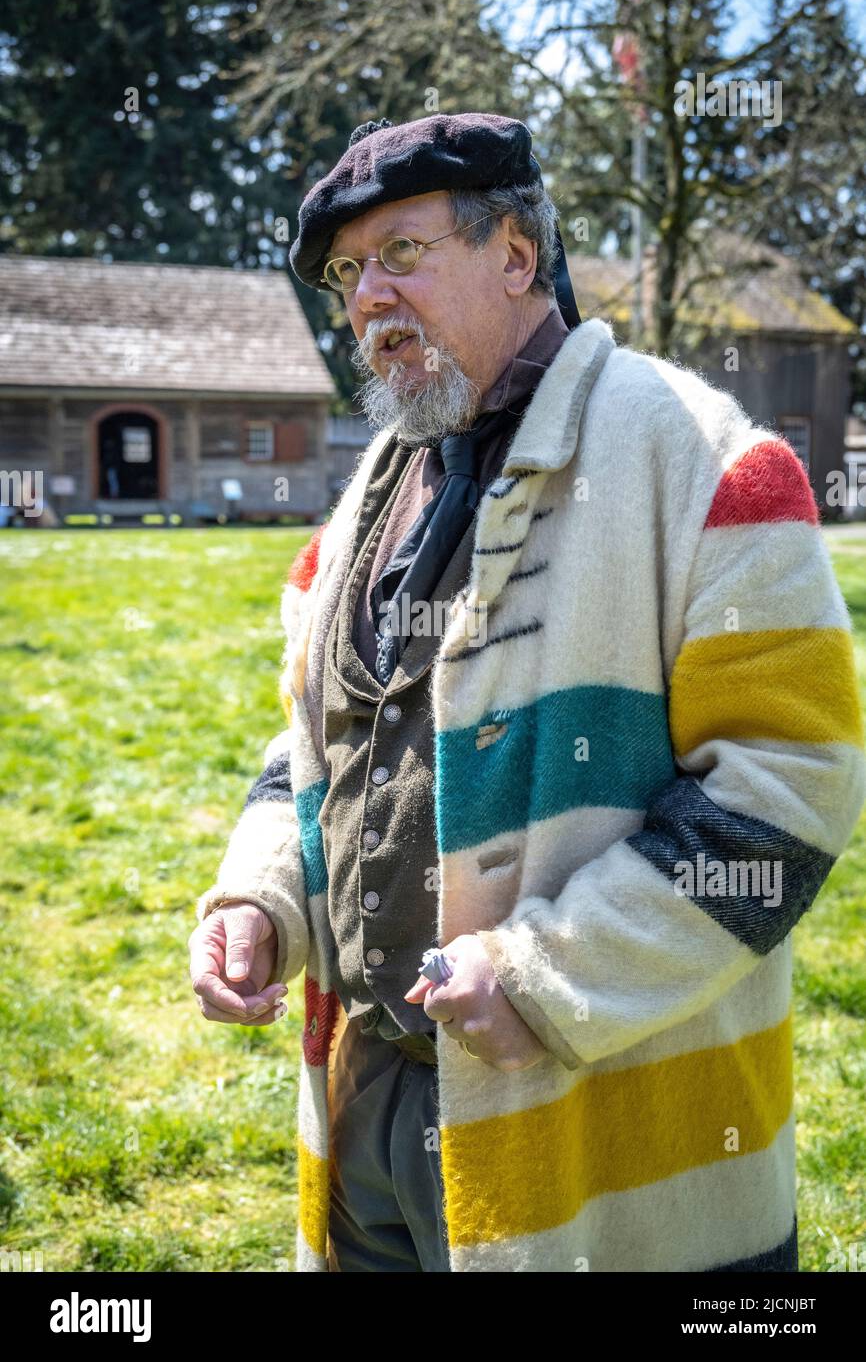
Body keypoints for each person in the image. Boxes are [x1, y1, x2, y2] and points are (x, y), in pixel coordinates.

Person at [188, 112, 865, 1273]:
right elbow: (304, 749)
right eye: (349, 272)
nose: (364, 299)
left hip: (603, 1146)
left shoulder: (708, 463)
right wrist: (260, 899)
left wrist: (547, 979)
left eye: (401, 254)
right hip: (364, 1111)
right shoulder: (359, 505)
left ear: (515, 253)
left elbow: (789, 788)